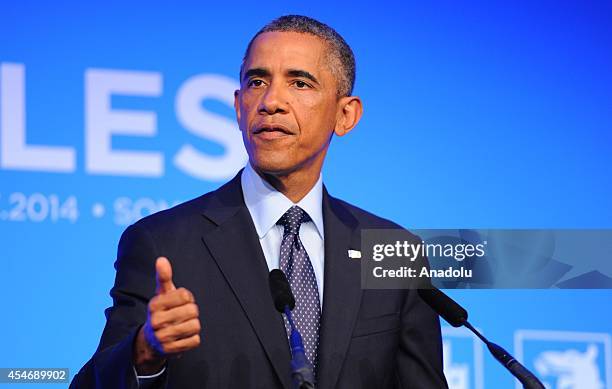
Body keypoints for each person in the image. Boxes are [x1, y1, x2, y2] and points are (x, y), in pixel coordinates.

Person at [71, 15, 448, 389]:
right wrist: (144, 353)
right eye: (257, 82)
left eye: (299, 83)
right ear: (238, 107)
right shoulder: (163, 243)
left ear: (345, 114)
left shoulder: (393, 251)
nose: (271, 102)